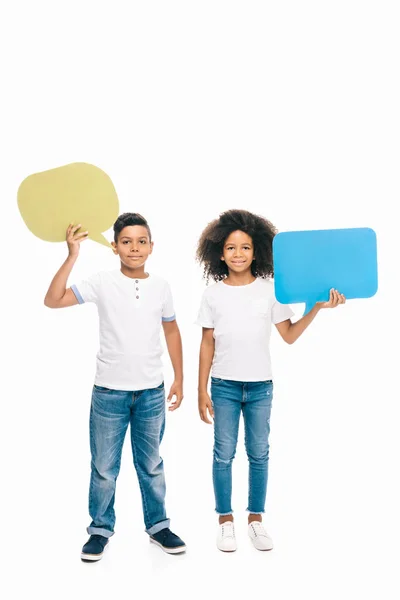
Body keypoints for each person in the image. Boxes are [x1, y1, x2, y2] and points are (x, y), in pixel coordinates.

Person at [195, 209, 345, 552]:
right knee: (223, 454)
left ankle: (256, 520)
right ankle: (225, 521)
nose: (238, 254)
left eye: (245, 247)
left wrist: (316, 308)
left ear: (256, 251)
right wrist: (201, 389)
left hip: (261, 387)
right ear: (220, 253)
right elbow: (207, 344)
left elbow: (289, 336)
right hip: (224, 387)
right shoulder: (213, 294)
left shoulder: (270, 291)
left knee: (259, 453)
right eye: (231, 248)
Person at [44, 212, 186, 560]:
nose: (134, 248)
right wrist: (72, 256)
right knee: (104, 468)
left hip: (151, 391)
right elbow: (53, 299)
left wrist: (180, 377)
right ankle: (100, 530)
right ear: (114, 246)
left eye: (141, 241)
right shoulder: (102, 281)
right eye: (126, 241)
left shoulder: (162, 286)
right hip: (109, 392)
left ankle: (158, 526)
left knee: (151, 464)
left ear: (151, 247)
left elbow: (171, 329)